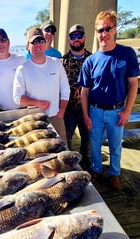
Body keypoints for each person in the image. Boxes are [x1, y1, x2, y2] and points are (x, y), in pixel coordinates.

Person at [78, 10, 140, 189]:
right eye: (99, 30)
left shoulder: (127, 54)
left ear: (114, 30)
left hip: (117, 111)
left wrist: (127, 110)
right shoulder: (90, 61)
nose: (103, 34)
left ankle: (115, 173)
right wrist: (86, 116)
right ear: (96, 33)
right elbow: (84, 91)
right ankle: (96, 170)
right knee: (95, 144)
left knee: (115, 146)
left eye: (107, 29)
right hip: (95, 111)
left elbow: (133, 84)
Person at [13, 27, 70, 144]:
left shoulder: (56, 63)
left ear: (45, 43)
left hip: (56, 117)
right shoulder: (22, 69)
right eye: (33, 42)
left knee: (63, 149)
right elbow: (17, 98)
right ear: (28, 46)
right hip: (34, 120)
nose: (38, 44)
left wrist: (62, 111)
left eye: (40, 41)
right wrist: (37, 103)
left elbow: (65, 89)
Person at [62, 24, 92, 169]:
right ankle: (69, 169)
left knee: (87, 142)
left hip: (89, 111)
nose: (77, 39)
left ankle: (87, 167)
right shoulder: (63, 61)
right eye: (73, 36)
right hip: (69, 110)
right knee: (66, 141)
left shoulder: (93, 59)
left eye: (79, 36)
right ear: (69, 40)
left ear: (84, 38)